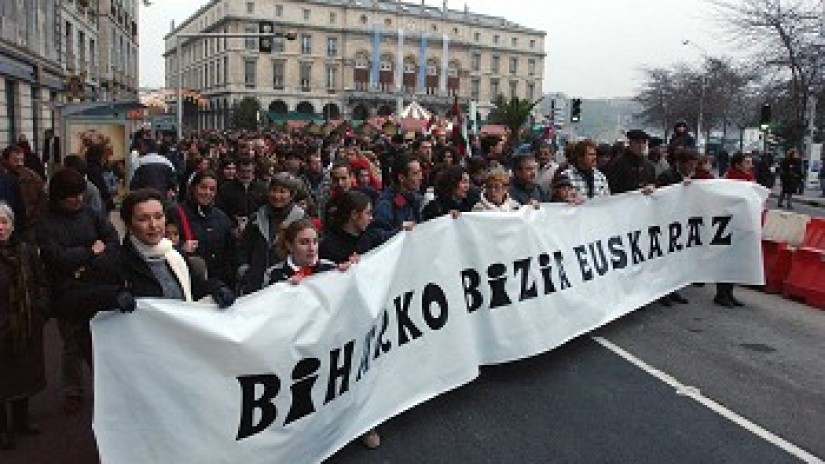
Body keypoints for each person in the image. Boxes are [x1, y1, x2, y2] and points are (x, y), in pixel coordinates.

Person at [36, 168, 120, 414]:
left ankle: (107, 387)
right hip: (66, 291)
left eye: (80, 195)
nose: (79, 200)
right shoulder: (46, 224)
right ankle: (73, 389)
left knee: (102, 341)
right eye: (72, 196)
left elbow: (112, 241)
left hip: (96, 284)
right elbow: (56, 258)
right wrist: (90, 251)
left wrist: (84, 260)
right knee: (72, 343)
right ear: (59, 197)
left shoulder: (92, 214)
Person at [72, 189, 235, 312]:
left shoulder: (174, 254)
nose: (154, 225)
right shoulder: (113, 261)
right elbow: (73, 298)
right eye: (143, 219)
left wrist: (217, 288)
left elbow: (196, 286)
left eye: (158, 216)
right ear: (128, 224)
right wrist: (114, 296)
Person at [0, 202, 49, 450]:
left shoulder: (26, 251)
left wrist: (41, 308)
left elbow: (41, 282)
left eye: (4, 222)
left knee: (23, 377)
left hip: (26, 324)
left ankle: (22, 421)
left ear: (11, 225)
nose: (0, 228)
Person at [238, 173, 306, 294]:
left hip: (287, 284)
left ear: (291, 195)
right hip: (255, 284)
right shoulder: (256, 219)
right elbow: (244, 247)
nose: (277, 196)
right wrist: (244, 270)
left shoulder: (301, 220)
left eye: (282, 191)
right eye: (273, 190)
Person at [169, 171, 237, 288]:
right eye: (203, 187)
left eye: (212, 189)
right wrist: (181, 248)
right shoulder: (176, 213)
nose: (207, 193)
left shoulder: (221, 217)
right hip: (189, 283)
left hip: (218, 283)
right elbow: (164, 246)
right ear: (193, 188)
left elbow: (230, 252)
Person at [655, 149, 699, 306]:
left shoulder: (693, 177)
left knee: (677, 258)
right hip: (667, 221)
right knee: (665, 259)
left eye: (694, 165)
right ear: (681, 163)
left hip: (681, 222)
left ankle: (673, 289)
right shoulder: (667, 176)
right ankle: (662, 292)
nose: (692, 168)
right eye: (690, 164)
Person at [714, 152, 754, 307]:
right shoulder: (730, 178)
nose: (750, 165)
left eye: (750, 162)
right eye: (747, 162)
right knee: (726, 260)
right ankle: (721, 293)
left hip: (742, 223)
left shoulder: (749, 178)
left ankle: (729, 292)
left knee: (736, 260)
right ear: (738, 164)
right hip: (729, 223)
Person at [368, 154, 423, 246]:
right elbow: (375, 236)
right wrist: (399, 231)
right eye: (415, 174)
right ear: (401, 178)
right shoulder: (385, 203)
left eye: (420, 172)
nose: (421, 178)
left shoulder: (416, 198)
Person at [319, 190, 378, 263]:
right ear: (354, 215)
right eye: (367, 213)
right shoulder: (328, 247)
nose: (371, 218)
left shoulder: (371, 236)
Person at [1, 146, 46, 237]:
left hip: (28, 224)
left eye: (21, 160)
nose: (19, 164)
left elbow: (42, 199)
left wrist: (33, 218)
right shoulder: (4, 179)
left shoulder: (32, 177)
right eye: (15, 160)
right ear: (5, 160)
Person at [605, 129, 657, 195]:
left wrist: (652, 187)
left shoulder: (649, 166)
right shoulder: (618, 164)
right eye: (637, 142)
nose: (641, 146)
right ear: (630, 143)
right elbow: (613, 188)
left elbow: (653, 183)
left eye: (644, 142)